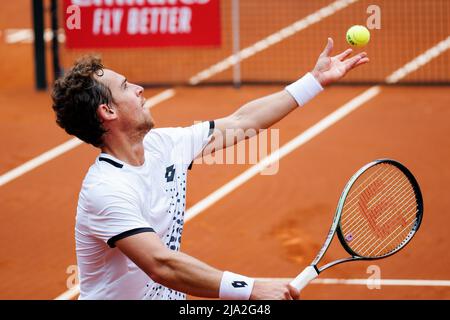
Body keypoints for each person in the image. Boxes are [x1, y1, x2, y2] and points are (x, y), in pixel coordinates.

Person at [51, 38, 368, 300]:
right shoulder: (106, 190)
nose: (138, 88)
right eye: (125, 86)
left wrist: (313, 81)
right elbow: (161, 265)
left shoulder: (164, 145)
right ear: (107, 111)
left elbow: (243, 121)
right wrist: (251, 288)